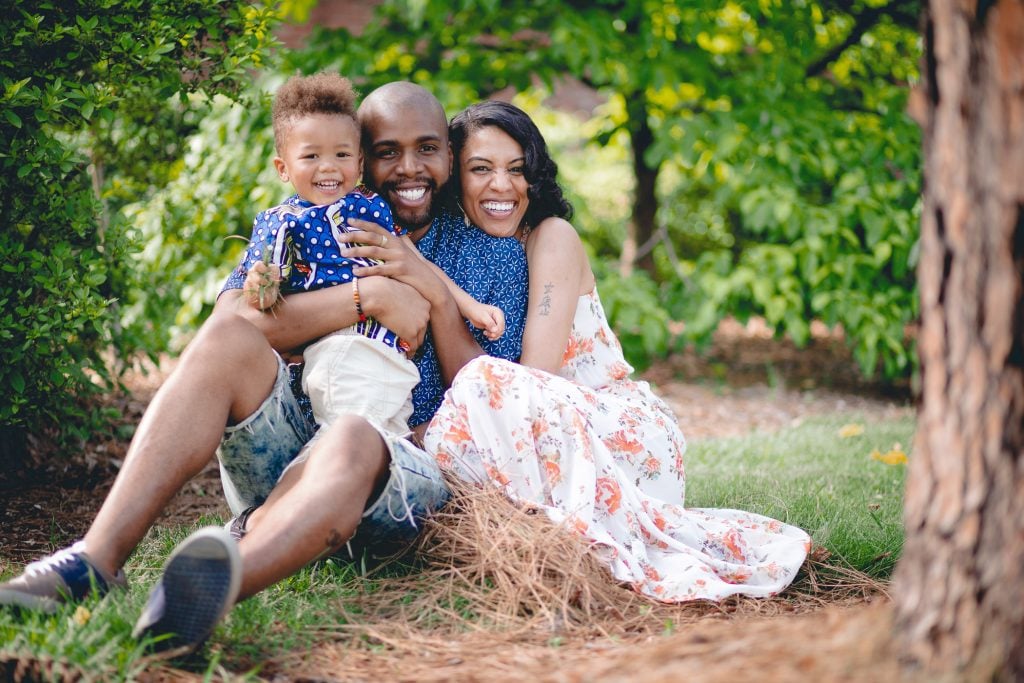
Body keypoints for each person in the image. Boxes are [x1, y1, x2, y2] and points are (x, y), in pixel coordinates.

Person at [0, 83, 527, 654]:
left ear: (448, 155)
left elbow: (490, 398)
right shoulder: (315, 222)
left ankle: (207, 588)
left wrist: (435, 296)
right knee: (230, 337)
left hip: (395, 472)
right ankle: (94, 562)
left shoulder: (490, 252)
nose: (408, 167)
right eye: (385, 151)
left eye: (427, 148)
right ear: (360, 157)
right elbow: (233, 321)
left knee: (352, 433)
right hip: (285, 447)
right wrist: (367, 295)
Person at [424, 101, 811, 602]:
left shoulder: (551, 237)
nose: (503, 186)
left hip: (618, 429)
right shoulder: (465, 249)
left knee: (480, 385)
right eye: (482, 169)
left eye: (517, 170)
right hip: (547, 434)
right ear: (457, 178)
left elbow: (533, 377)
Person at [236, 72, 504, 455]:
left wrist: (466, 305)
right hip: (326, 361)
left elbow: (412, 258)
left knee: (376, 444)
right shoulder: (282, 222)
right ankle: (318, 493)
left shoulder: (368, 209)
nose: (328, 168)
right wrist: (367, 295)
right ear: (283, 168)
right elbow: (244, 308)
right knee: (352, 443)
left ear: (356, 162)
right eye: (312, 156)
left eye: (341, 155)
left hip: (385, 358)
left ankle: (339, 490)